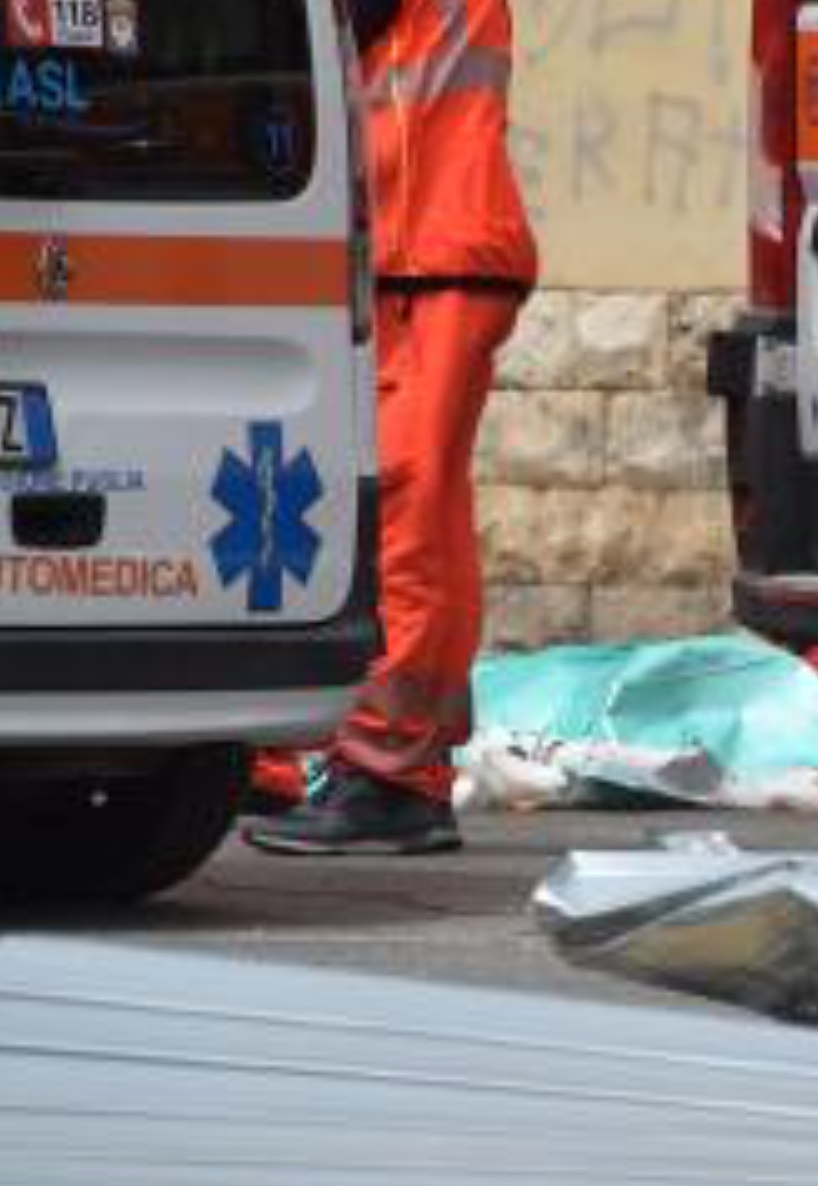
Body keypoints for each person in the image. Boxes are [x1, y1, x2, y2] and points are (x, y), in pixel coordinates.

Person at [245, 0, 537, 856]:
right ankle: (329, 757)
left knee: (407, 516)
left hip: (430, 245)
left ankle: (392, 776)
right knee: (409, 516)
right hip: (411, 244)